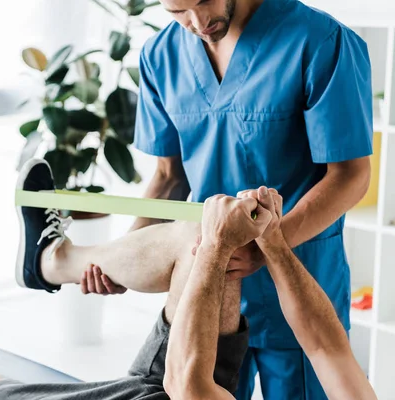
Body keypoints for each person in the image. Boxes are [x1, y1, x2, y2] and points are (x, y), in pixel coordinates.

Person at [0, 159, 376, 399]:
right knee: (193, 243)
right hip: (195, 390)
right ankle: (54, 261)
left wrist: (225, 241)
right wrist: (268, 238)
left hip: (188, 390)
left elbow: (187, 382)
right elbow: (326, 345)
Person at [78, 0, 374, 397]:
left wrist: (269, 247)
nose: (197, 23)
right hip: (207, 283)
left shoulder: (320, 42)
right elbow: (169, 176)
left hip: (296, 279)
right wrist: (123, 255)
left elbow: (351, 176)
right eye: (176, 12)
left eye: (203, 2)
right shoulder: (159, 56)